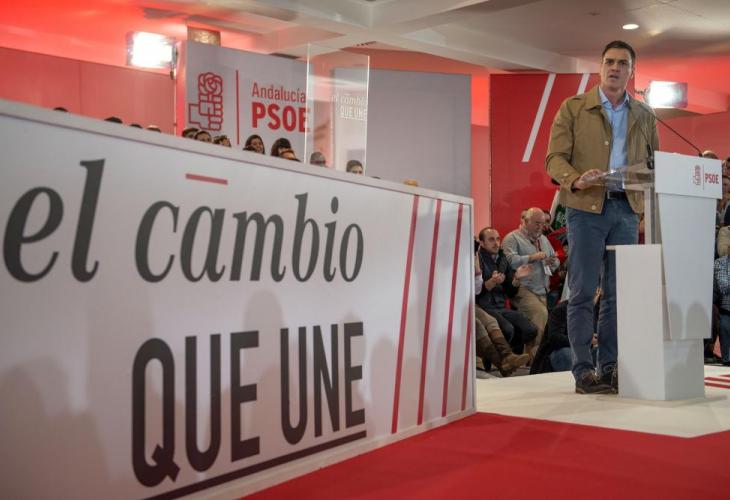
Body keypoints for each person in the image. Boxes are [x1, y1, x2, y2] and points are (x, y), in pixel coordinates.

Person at [546, 40, 659, 394]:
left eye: (622, 63)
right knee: (582, 292)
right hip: (585, 208)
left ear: (631, 71)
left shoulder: (644, 115)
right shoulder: (574, 107)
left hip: (626, 209)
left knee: (616, 294)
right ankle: (583, 369)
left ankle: (609, 367)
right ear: (600, 67)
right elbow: (554, 158)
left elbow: (654, 164)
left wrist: (646, 202)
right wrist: (576, 179)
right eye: (609, 61)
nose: (615, 68)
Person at [502, 207, 560, 354]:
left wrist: (552, 262)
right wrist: (532, 257)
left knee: (541, 325)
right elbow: (509, 261)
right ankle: (535, 360)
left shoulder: (543, 239)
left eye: (543, 223)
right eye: (537, 223)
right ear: (526, 221)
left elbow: (556, 261)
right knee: (540, 315)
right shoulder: (512, 238)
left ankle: (530, 359)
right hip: (522, 288)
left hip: (542, 288)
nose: (541, 227)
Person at [476, 227, 537, 355]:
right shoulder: (477, 259)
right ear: (482, 243)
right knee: (508, 329)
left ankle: (514, 358)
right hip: (483, 307)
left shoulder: (503, 258)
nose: (496, 243)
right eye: (491, 239)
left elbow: (511, 292)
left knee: (530, 329)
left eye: (498, 239)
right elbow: (474, 293)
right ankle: (504, 359)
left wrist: (517, 279)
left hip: (501, 306)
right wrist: (491, 282)